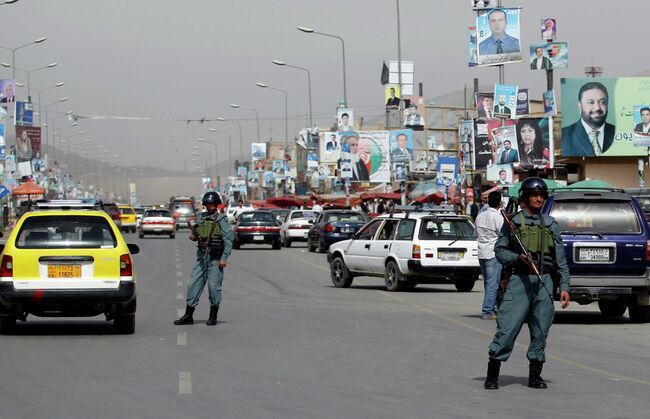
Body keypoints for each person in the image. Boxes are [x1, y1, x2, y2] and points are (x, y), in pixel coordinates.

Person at [483, 177, 570, 390]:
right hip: (520, 281)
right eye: (534, 195)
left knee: (541, 330)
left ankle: (535, 376)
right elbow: (500, 251)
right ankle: (493, 374)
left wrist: (565, 287)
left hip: (544, 281)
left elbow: (560, 259)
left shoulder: (550, 225)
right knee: (508, 328)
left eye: (541, 195)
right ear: (525, 197)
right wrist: (517, 258)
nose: (538, 198)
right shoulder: (513, 223)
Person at [174, 192, 234, 327]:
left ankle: (213, 315)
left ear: (216, 205)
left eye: (212, 204)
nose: (210, 206)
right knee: (193, 284)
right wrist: (194, 237)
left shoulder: (222, 219)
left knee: (213, 287)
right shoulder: (201, 218)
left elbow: (229, 241)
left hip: (215, 258)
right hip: (202, 257)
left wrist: (224, 258)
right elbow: (196, 233)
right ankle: (188, 315)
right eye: (208, 204)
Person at [562, 82, 615, 156]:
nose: (597, 108)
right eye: (590, 102)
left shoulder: (618, 133)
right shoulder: (564, 136)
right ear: (580, 106)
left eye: (602, 102)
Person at [475, 191, 504, 320]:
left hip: (481, 252)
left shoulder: (480, 216)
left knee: (489, 283)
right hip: (492, 253)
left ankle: (495, 308)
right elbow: (503, 234)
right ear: (499, 203)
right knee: (493, 283)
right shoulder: (498, 217)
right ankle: (488, 311)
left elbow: (475, 232)